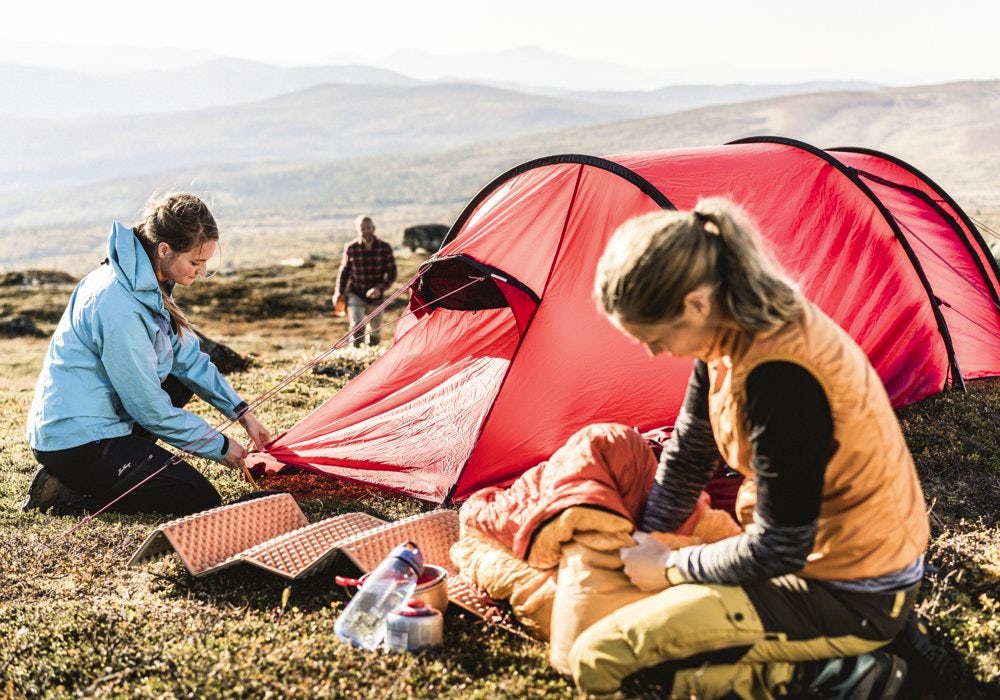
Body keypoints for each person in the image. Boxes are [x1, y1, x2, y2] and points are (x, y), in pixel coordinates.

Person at [571, 198, 929, 698]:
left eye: (654, 337)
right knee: (624, 613)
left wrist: (669, 567)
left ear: (696, 303)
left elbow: (780, 546)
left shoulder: (782, 377)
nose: (654, 353)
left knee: (600, 660)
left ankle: (841, 676)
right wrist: (648, 542)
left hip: (852, 591)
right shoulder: (727, 329)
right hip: (816, 560)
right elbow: (689, 455)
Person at [23, 192, 272, 516]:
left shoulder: (146, 281)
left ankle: (94, 475)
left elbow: (187, 359)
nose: (202, 270)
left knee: (181, 381)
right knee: (197, 497)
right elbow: (149, 408)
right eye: (195, 262)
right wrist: (222, 448)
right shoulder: (119, 305)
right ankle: (70, 496)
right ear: (164, 249)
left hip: (100, 418)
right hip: (76, 438)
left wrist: (243, 414)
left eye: (206, 261)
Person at [332, 215, 397, 346]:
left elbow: (392, 274)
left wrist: (380, 289)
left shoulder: (385, 248)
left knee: (375, 332)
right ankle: (356, 355)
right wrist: (339, 292)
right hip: (356, 294)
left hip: (377, 297)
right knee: (357, 327)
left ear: (374, 228)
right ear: (357, 230)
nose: (366, 231)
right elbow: (343, 272)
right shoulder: (351, 248)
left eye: (368, 227)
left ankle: (371, 358)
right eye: (362, 228)